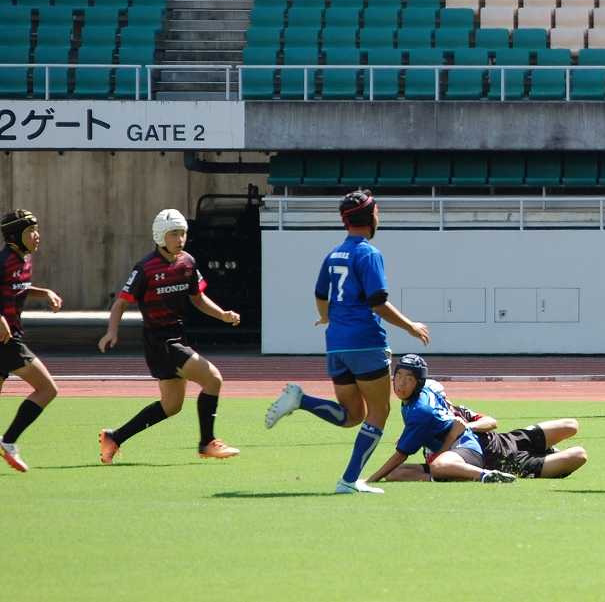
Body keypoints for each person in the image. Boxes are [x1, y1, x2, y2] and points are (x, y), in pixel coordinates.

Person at [264, 190, 430, 494]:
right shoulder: (369, 254)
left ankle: (301, 400)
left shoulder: (334, 254)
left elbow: (320, 294)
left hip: (336, 345)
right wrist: (410, 326)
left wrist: (326, 317)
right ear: (370, 217)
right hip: (366, 342)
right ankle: (349, 480)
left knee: (353, 415)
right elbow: (378, 302)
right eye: (377, 211)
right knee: (379, 411)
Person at [97, 209, 242, 464]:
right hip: (159, 342)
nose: (180, 239)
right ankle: (207, 443)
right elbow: (121, 303)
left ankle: (115, 437)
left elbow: (198, 297)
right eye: (174, 234)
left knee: (171, 406)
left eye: (183, 233)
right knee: (213, 379)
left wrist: (222, 315)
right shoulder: (145, 268)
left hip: (176, 337)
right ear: (160, 236)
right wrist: (112, 331)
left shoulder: (188, 262)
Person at [374, 377, 588, 482]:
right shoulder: (425, 424)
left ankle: (546, 451)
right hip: (512, 464)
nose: (446, 401)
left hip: (508, 440)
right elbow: (437, 463)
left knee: (570, 425)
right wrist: (452, 436)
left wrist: (466, 426)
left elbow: (491, 421)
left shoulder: (458, 411)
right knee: (578, 455)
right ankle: (535, 461)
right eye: (441, 398)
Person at [365, 354, 517, 484]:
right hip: (444, 455)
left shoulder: (421, 410)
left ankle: (486, 475)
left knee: (438, 466)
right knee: (394, 473)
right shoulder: (415, 400)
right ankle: (444, 477)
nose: (401, 383)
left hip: (464, 448)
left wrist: (370, 480)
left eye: (409, 378)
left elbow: (401, 455)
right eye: (398, 376)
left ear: (419, 382)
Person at [0, 210, 62, 472]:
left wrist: (44, 292)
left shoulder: (23, 260)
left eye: (36, 230)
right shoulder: (4, 261)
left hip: (9, 337)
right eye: (30, 231)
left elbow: (18, 288)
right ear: (14, 236)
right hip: (7, 340)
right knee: (47, 389)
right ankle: (8, 441)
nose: (37, 236)